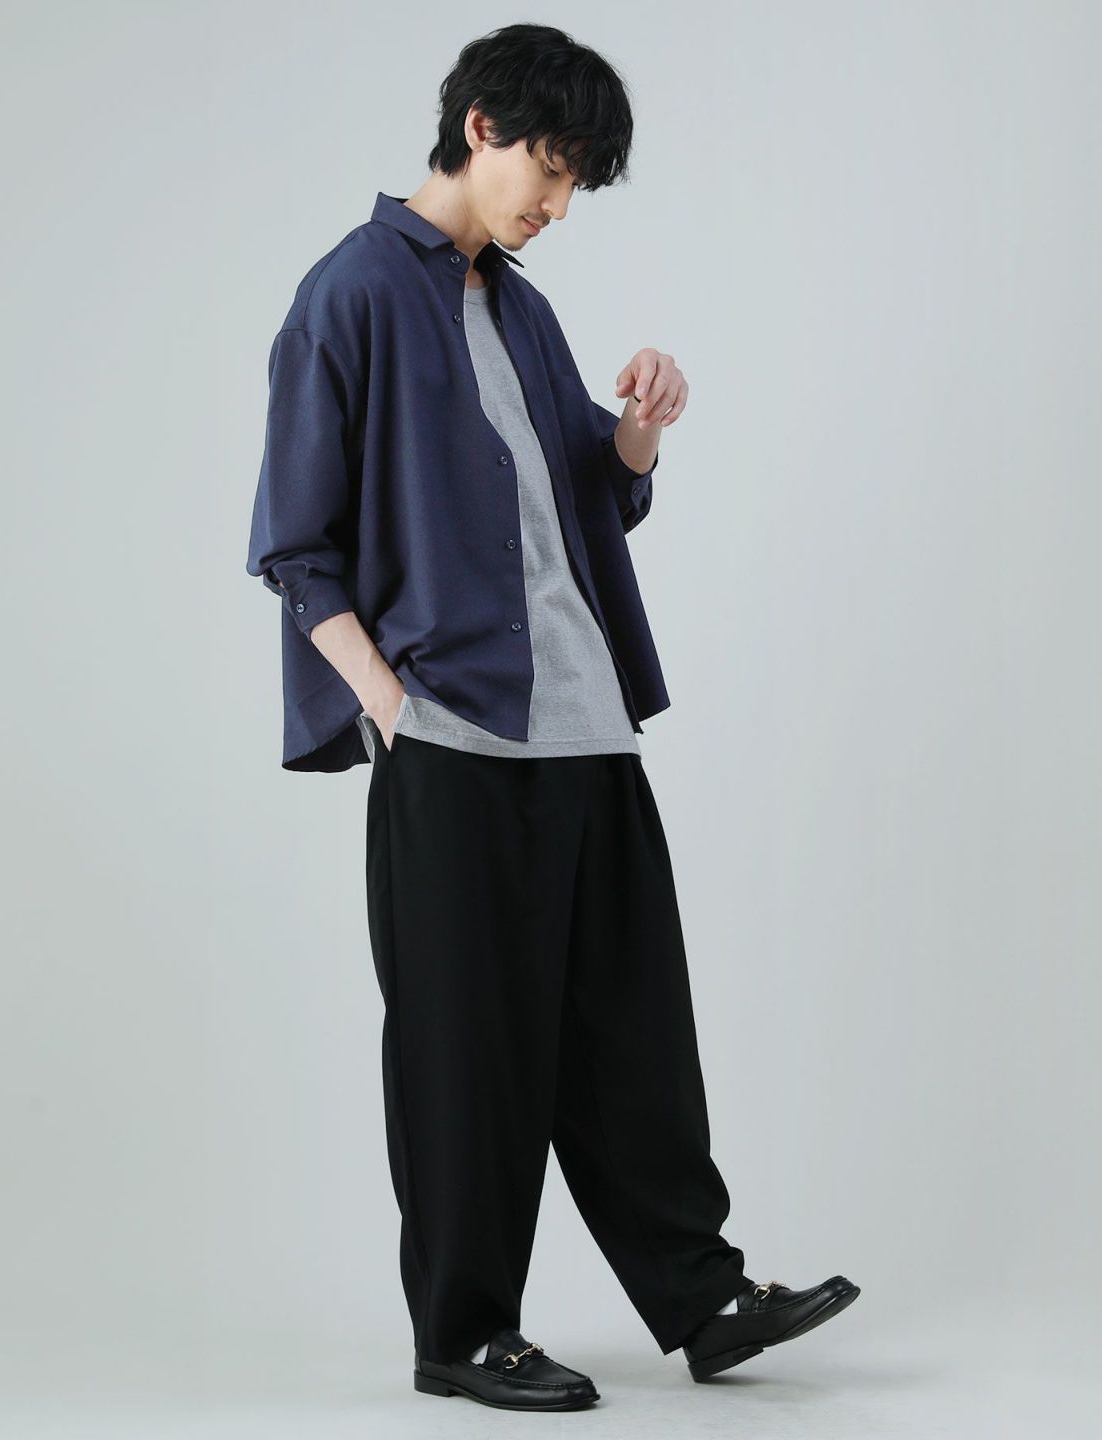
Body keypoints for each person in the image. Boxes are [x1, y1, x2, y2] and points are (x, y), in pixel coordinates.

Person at [246, 21, 859, 1413]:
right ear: (479, 127)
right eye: (553, 166)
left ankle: (704, 1298)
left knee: (633, 1033)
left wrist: (638, 430)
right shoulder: (348, 296)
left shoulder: (518, 307)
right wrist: (391, 704)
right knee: (468, 1050)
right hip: (454, 739)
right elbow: (292, 544)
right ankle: (464, 1333)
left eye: (579, 180)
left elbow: (586, 494)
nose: (560, 203)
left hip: (586, 726)